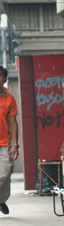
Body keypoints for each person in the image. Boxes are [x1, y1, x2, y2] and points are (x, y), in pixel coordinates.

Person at [0, 67, 19, 215]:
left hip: (5, 143)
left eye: (0, 76)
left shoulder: (9, 99)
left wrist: (15, 144)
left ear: (5, 79)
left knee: (6, 173)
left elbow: (13, 122)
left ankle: (1, 200)